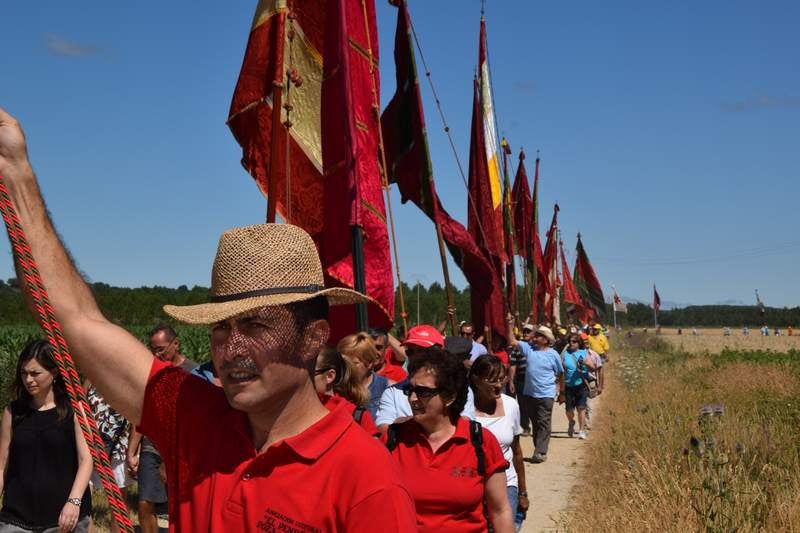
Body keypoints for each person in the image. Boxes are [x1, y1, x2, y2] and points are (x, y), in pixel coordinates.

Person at [0, 112, 415, 530]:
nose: (229, 349)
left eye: (255, 326)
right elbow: (75, 319)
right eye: (221, 327)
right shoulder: (196, 418)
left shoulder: (366, 480)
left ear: (313, 338)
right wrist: (16, 172)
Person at [384, 348, 513, 532]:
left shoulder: (480, 441)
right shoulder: (393, 439)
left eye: (422, 392)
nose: (412, 399)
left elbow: (500, 511)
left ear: (450, 397)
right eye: (410, 389)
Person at [0, 340, 93, 532]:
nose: (28, 380)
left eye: (35, 373)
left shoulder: (75, 410)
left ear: (55, 372)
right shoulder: (13, 412)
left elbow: (86, 460)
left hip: (63, 518)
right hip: (16, 517)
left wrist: (74, 502)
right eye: (24, 373)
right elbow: (2, 464)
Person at [127, 325, 199, 533]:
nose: (156, 354)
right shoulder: (153, 374)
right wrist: (132, 451)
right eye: (153, 349)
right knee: (144, 503)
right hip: (152, 446)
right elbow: (143, 414)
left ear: (175, 344)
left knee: (181, 506)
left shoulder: (194, 373)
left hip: (182, 451)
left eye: (161, 349)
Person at [468, 355, 528, 531]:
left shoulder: (511, 406)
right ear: (476, 380)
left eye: (501, 379)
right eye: (491, 380)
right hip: (474, 482)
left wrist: (523, 492)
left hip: (506, 481)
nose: (498, 385)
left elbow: (516, 451)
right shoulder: (464, 410)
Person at [506, 316, 563, 463]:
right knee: (536, 423)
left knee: (543, 422)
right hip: (529, 394)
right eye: (536, 336)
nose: (535, 338)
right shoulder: (528, 349)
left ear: (546, 339)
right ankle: (539, 448)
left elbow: (560, 373)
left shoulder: (553, 354)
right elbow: (512, 341)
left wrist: (561, 391)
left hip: (546, 394)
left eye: (538, 336)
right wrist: (510, 325)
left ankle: (540, 452)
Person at [84, 379, 131, 533]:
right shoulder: (91, 378)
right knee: (84, 499)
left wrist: (133, 450)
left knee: (118, 502)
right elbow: (80, 406)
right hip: (89, 446)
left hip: (118, 447)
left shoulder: (125, 378)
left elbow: (136, 414)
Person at [314, 346, 378, 436]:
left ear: (330, 376)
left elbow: (375, 449)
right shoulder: (296, 411)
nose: (304, 378)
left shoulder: (357, 415)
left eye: (310, 372)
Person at [337, 332, 389, 419]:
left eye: (353, 363)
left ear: (369, 363)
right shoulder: (334, 389)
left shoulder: (388, 389)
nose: (346, 367)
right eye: (343, 362)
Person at [560, 334, 596, 440]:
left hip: (581, 385)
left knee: (581, 408)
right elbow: (560, 368)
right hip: (568, 386)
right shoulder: (565, 354)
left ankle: (581, 430)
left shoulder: (584, 353)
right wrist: (560, 388)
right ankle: (571, 422)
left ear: (579, 343)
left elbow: (593, 368)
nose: (571, 343)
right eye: (570, 341)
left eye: (574, 341)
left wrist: (586, 363)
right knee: (569, 410)